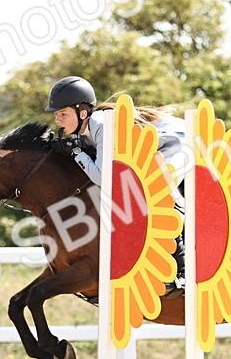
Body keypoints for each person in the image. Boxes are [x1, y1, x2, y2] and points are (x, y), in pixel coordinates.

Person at [44, 75, 188, 288]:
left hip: (179, 145)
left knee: (155, 192)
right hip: (154, 148)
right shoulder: (83, 130)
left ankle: (182, 270)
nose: (58, 120)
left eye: (63, 114)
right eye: (57, 115)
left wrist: (76, 152)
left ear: (82, 113)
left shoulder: (102, 126)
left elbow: (103, 177)